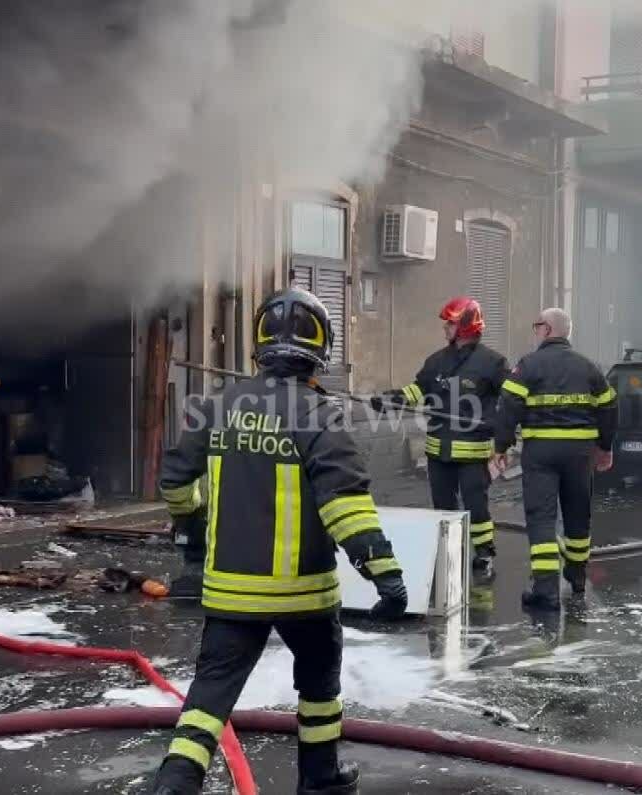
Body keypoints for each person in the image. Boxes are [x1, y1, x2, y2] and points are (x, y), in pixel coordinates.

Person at [151, 287, 407, 795]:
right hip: (304, 595)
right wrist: (386, 575)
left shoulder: (217, 405)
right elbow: (345, 505)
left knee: (209, 698)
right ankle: (320, 778)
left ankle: (175, 783)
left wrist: (195, 529)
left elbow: (176, 483)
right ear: (321, 349)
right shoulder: (319, 414)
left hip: (229, 593)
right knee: (318, 687)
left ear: (259, 344)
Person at [371, 297, 508, 576]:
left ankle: (484, 552)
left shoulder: (493, 363)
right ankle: (447, 551)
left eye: (451, 323)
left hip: (473, 453)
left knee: (476, 505)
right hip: (438, 451)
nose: (445, 328)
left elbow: (510, 398)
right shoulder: (437, 361)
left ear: (467, 327)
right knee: (442, 507)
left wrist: (499, 425)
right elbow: (418, 390)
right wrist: (390, 400)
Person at [493, 307, 616, 610]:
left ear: (547, 329)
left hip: (542, 452)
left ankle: (546, 591)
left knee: (542, 517)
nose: (534, 331)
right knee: (577, 514)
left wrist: (501, 446)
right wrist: (605, 446)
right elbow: (609, 407)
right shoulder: (589, 367)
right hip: (579, 454)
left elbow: (508, 405)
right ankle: (576, 578)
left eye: (537, 325)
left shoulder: (529, 365)